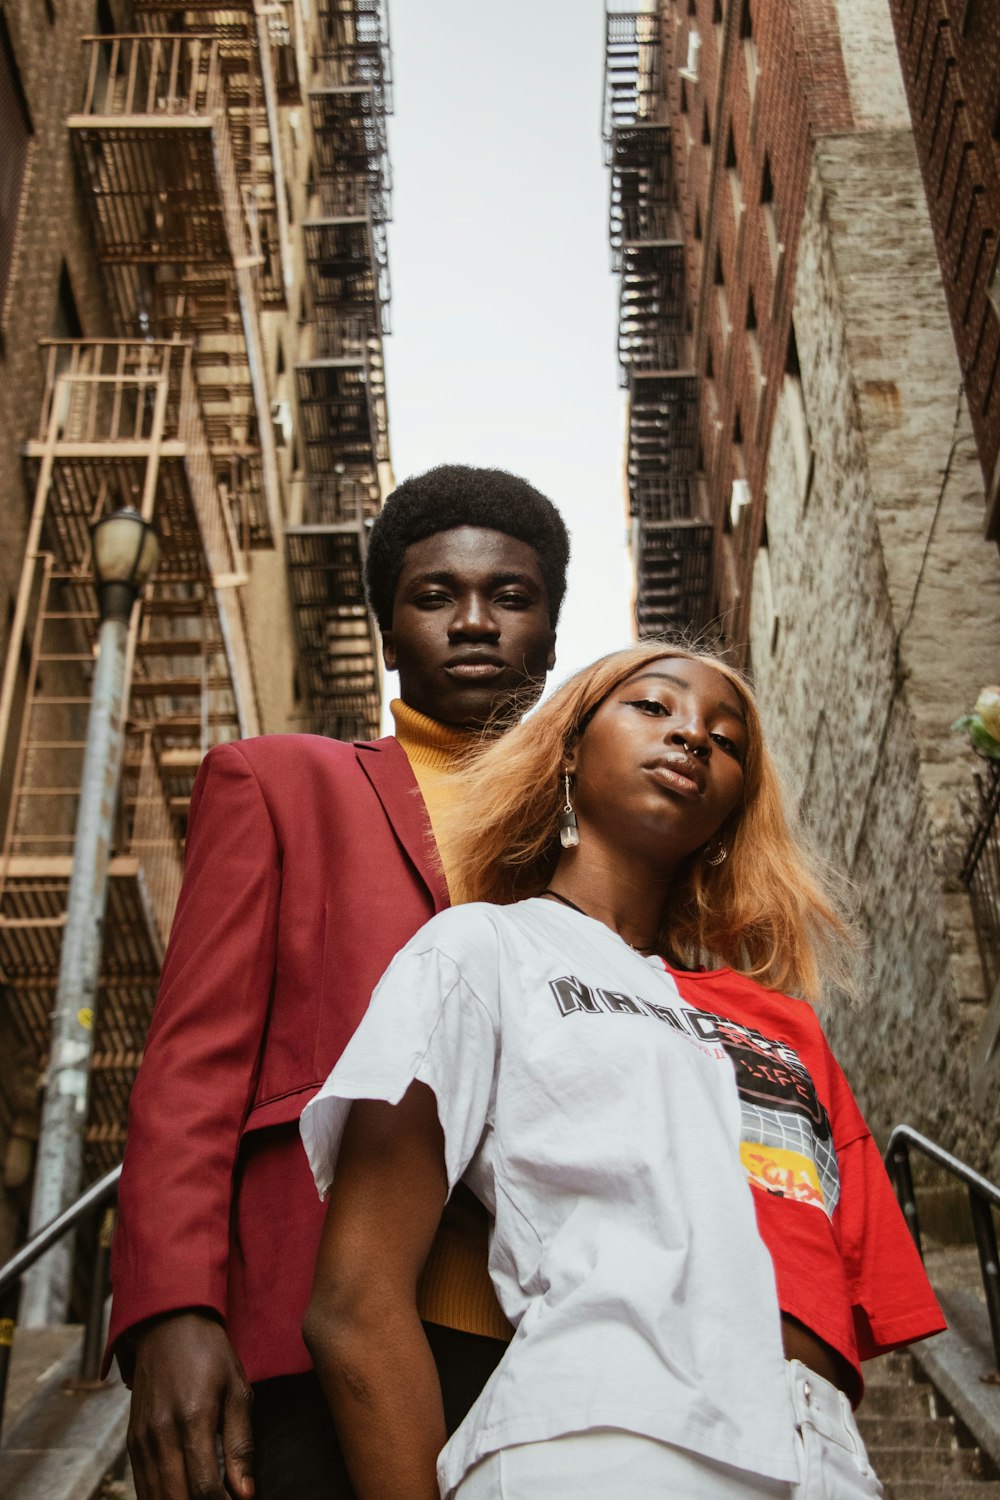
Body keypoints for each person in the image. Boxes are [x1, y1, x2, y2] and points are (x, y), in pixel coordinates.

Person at [300, 642, 944, 1500]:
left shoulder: (786, 1027)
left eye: (727, 738)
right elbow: (353, 1304)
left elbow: (836, 1288)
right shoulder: (484, 949)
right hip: (598, 1439)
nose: (692, 737)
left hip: (820, 1458)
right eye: (653, 707)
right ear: (569, 748)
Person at [105, 464, 570, 1500]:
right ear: (389, 627)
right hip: (323, 1330)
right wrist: (170, 1310)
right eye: (435, 594)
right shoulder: (278, 784)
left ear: (549, 630)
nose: (474, 620)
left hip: (566, 1347)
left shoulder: (600, 844)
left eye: (510, 596)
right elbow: (189, 1066)